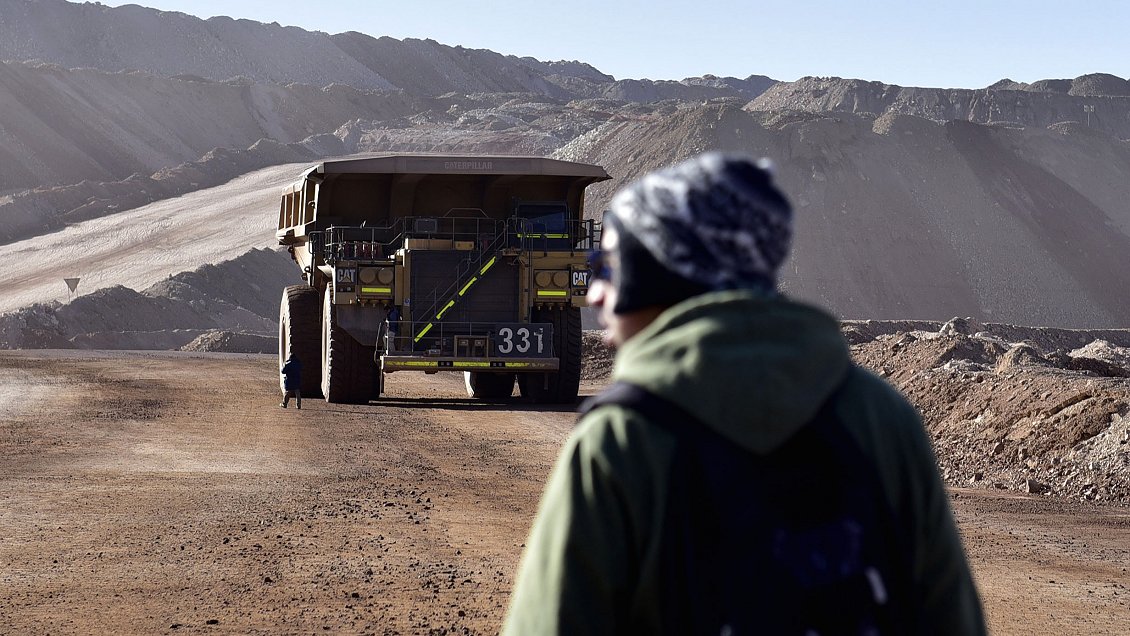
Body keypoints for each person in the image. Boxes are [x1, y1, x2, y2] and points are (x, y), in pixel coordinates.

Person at [502, 152, 986, 635]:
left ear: (661, 272)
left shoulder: (621, 440)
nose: (594, 294)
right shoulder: (884, 417)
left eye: (606, 265)